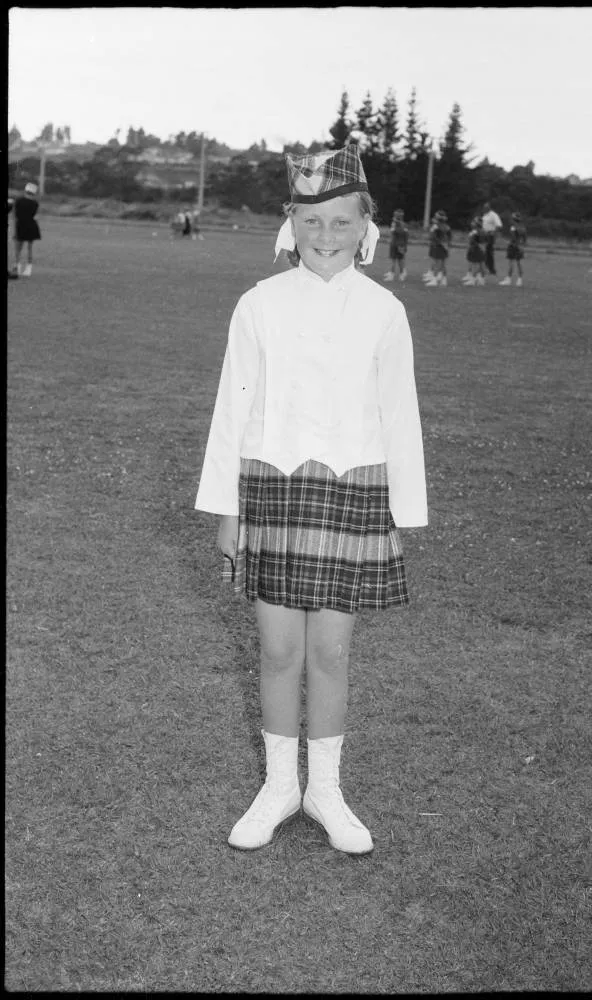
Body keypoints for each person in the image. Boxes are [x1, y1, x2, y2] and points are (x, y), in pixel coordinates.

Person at [195, 143, 427, 856]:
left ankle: (324, 789)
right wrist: (226, 505)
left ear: (365, 226)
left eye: (339, 222)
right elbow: (233, 406)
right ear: (289, 223)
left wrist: (402, 511)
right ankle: (277, 787)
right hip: (270, 484)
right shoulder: (258, 303)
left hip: (355, 486)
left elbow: (399, 412)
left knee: (329, 652)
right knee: (276, 650)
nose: (324, 237)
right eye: (310, 221)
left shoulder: (384, 310)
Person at [10, 182, 41, 277]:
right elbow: (35, 215)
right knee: (29, 248)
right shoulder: (35, 203)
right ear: (34, 193)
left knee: (18, 248)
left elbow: (15, 216)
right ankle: (28, 269)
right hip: (32, 226)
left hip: (20, 225)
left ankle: (17, 267)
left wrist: (15, 229)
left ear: (25, 190)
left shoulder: (18, 201)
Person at [423, 210, 452, 287]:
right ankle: (444, 280)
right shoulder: (447, 226)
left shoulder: (435, 226)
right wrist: (446, 244)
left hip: (438, 246)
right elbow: (449, 237)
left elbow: (432, 236)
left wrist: (439, 242)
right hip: (445, 246)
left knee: (437, 263)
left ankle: (435, 280)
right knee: (443, 264)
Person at [499, 212, 527, 286]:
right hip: (520, 247)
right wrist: (522, 246)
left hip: (513, 246)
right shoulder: (523, 227)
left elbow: (514, 237)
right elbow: (524, 239)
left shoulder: (513, 227)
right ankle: (519, 280)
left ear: (514, 219)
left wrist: (511, 243)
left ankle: (508, 279)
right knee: (519, 263)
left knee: (511, 263)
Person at [384, 209, 408, 282]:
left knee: (398, 261)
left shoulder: (401, 225)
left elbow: (402, 234)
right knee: (394, 260)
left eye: (396, 215)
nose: (394, 217)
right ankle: (394, 273)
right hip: (395, 244)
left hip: (398, 245)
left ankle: (400, 273)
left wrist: (404, 246)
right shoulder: (397, 224)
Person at [481, 201, 503, 276]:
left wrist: (493, 233)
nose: (484, 208)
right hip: (484, 235)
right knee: (485, 252)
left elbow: (499, 225)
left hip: (490, 235)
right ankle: (486, 268)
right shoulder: (484, 215)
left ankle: (492, 270)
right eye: (484, 207)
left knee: (489, 253)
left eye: (486, 207)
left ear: (489, 207)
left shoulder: (493, 215)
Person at [462, 216, 486, 285]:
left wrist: (471, 246)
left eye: (474, 222)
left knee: (475, 264)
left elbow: (472, 240)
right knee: (481, 264)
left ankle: (473, 279)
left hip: (476, 249)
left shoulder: (476, 231)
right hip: (481, 249)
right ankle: (482, 279)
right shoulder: (483, 230)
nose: (473, 223)